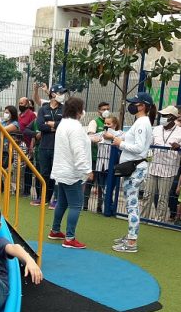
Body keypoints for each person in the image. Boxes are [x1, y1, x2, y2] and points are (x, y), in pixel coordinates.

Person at [109, 91, 156, 253]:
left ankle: (131, 241)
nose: (132, 105)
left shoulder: (142, 123)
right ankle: (130, 236)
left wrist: (120, 143)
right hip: (134, 167)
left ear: (142, 106)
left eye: (135, 103)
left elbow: (139, 148)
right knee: (131, 204)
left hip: (136, 167)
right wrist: (117, 136)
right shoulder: (141, 122)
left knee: (132, 204)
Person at [46, 97, 93, 249]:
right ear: (79, 110)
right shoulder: (75, 127)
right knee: (76, 204)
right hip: (71, 172)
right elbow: (78, 150)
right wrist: (87, 170)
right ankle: (70, 238)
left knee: (63, 202)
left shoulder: (63, 124)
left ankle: (55, 230)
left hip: (61, 170)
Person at [142, 105, 181, 222]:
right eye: (161, 115)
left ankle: (159, 220)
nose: (162, 118)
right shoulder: (156, 129)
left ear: (172, 117)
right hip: (153, 166)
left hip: (168, 170)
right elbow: (148, 144)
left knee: (163, 198)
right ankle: (143, 218)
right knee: (147, 195)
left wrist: (180, 148)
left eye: (165, 116)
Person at [34, 84, 67, 209]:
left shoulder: (65, 109)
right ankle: (42, 197)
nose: (62, 96)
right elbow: (40, 125)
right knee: (44, 173)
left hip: (59, 147)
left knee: (56, 174)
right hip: (44, 146)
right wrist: (54, 127)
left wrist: (53, 124)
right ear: (53, 94)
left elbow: (65, 124)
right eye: (60, 93)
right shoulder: (43, 109)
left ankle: (56, 199)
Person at [87, 115, 122, 213]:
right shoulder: (101, 133)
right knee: (102, 188)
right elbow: (89, 137)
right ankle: (103, 207)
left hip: (111, 166)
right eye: (105, 124)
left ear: (114, 125)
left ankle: (109, 209)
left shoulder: (119, 133)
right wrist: (94, 138)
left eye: (109, 124)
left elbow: (124, 140)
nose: (106, 126)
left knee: (108, 188)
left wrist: (112, 137)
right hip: (100, 165)